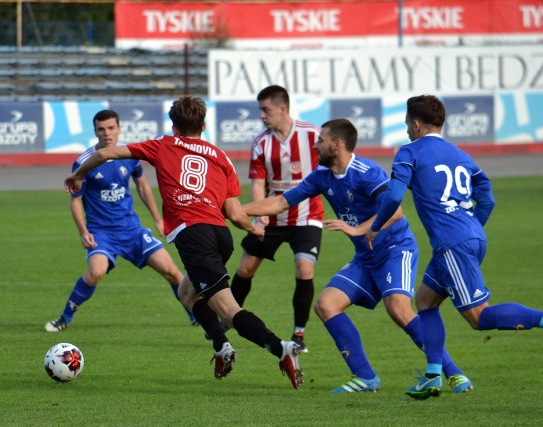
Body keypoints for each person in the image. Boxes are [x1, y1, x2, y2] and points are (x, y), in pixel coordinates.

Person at [63, 96, 304, 389]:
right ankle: (221, 346)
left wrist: (78, 176)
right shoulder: (219, 156)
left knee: (229, 311)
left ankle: (281, 348)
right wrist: (251, 229)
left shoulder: (162, 145)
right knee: (186, 293)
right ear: (203, 125)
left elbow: (105, 155)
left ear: (173, 126)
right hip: (220, 236)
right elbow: (235, 213)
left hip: (194, 237)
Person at [368, 94, 543, 400]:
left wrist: (375, 227)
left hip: (452, 243)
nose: (406, 129)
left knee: (478, 318)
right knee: (426, 301)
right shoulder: (460, 154)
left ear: (416, 124)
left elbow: (393, 197)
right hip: (467, 236)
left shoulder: (409, 152)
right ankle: (433, 375)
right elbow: (488, 197)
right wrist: (470, 228)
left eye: (407, 123)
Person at [243, 118, 472, 393]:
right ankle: (365, 377)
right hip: (367, 258)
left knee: (399, 309)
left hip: (395, 250)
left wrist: (357, 229)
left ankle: (455, 374)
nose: (315, 146)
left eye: (321, 141)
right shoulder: (321, 175)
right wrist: (234, 210)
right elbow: (280, 202)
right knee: (326, 305)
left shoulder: (367, 172)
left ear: (337, 145)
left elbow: (396, 212)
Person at [45, 109, 197, 333]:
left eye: (111, 128)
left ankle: (195, 315)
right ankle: (64, 318)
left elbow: (142, 186)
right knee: (96, 272)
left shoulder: (129, 155)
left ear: (119, 128)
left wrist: (158, 218)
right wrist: (83, 231)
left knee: (172, 271)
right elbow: (75, 200)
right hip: (102, 233)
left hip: (132, 230)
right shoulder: (84, 163)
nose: (107, 133)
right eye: (101, 129)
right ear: (95, 131)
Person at [229, 85, 324, 352]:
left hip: (307, 217)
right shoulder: (261, 143)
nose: (261, 115)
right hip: (272, 219)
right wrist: (259, 219)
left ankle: (299, 335)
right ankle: (228, 317)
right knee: (245, 269)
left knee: (304, 269)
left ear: (283, 108)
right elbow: (258, 184)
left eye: (265, 109)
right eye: (260, 110)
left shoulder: (312, 135)